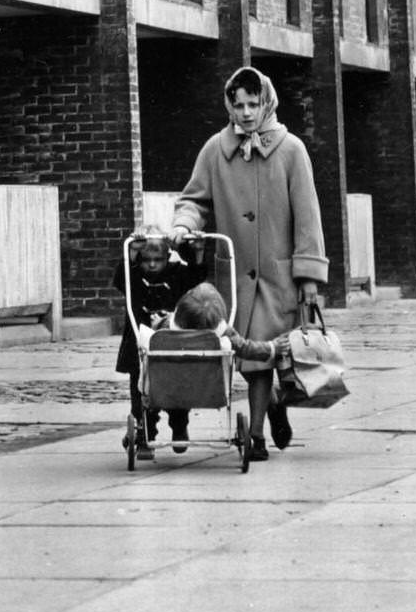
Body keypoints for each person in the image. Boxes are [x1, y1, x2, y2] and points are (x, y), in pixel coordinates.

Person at [171, 65, 328, 463]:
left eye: (252, 103)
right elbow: (194, 199)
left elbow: (308, 215)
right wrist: (184, 224)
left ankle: (255, 435)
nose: (245, 112)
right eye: (237, 104)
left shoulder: (291, 149)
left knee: (262, 356)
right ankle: (273, 401)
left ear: (266, 102)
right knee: (245, 357)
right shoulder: (215, 150)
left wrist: (309, 275)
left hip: (279, 276)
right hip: (234, 274)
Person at [113, 230, 205, 459]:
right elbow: (120, 278)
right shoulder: (133, 277)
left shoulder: (177, 275)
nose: (152, 265)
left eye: (158, 260)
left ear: (168, 256)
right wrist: (132, 252)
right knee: (141, 390)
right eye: (146, 260)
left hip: (172, 342)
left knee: (177, 387)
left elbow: (197, 275)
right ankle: (145, 432)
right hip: (140, 343)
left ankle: (179, 423)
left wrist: (196, 250)